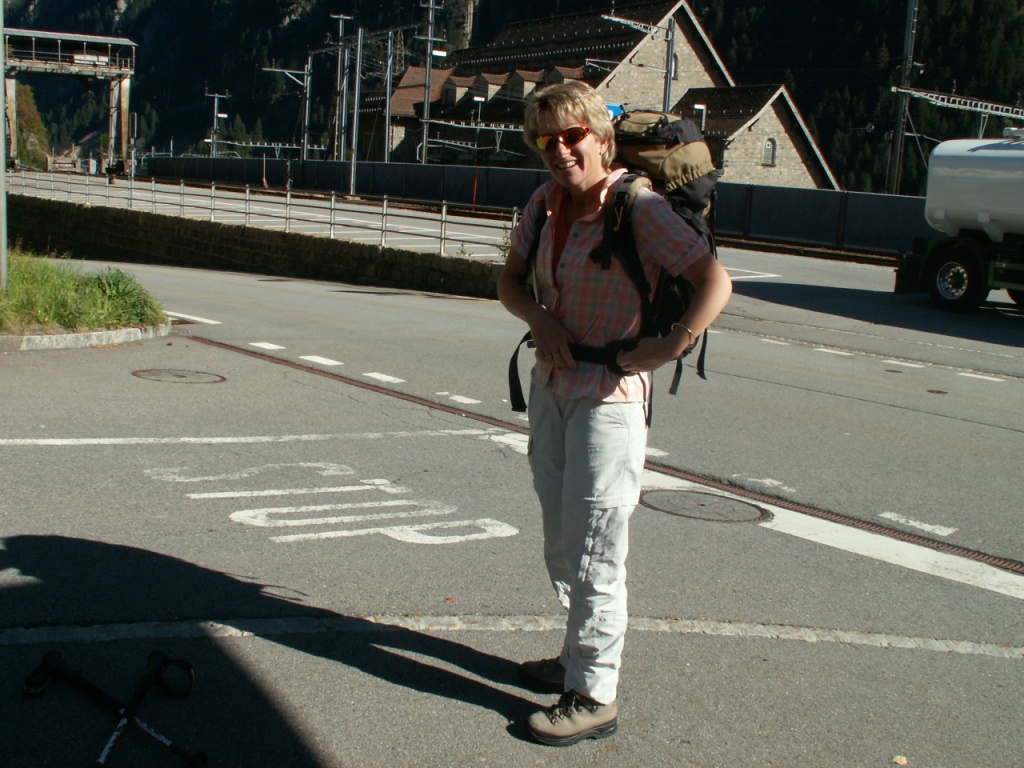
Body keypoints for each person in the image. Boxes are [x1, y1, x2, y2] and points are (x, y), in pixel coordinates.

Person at [497, 81, 732, 747]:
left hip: (609, 397)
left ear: (601, 138)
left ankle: (594, 693)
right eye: (546, 139)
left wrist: (670, 345)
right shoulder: (544, 204)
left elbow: (715, 282)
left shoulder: (639, 207)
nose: (559, 150)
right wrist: (537, 317)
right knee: (561, 539)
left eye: (571, 136)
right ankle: (578, 654)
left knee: (596, 545)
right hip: (551, 386)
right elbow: (509, 281)